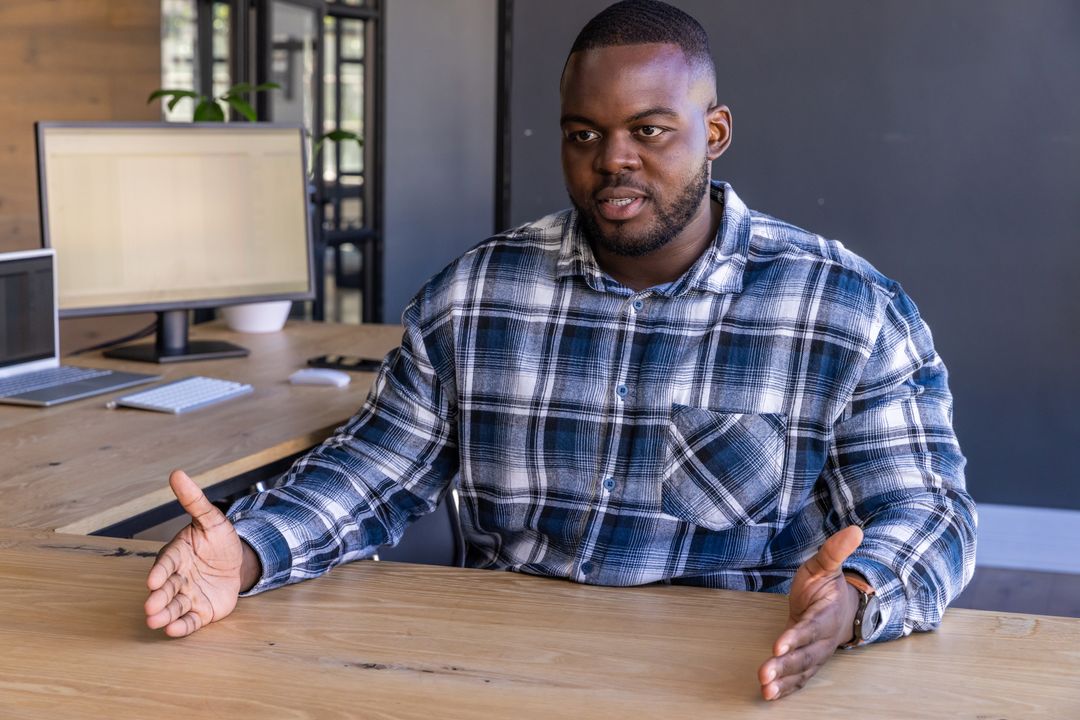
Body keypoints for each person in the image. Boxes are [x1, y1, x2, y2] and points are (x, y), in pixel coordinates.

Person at [144, 0, 976, 702]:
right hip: (497, 675)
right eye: (585, 133)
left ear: (714, 130)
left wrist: (856, 598)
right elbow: (375, 469)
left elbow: (930, 511)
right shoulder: (474, 296)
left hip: (727, 680)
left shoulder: (845, 307)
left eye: (649, 129)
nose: (613, 159)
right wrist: (250, 551)